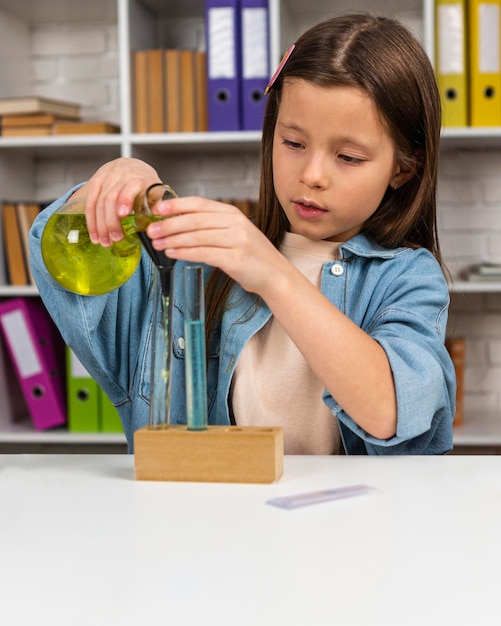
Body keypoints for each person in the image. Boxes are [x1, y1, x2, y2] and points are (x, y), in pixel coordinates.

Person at [30, 13, 456, 455]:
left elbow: (389, 409)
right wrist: (117, 184)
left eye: (348, 157)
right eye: (292, 143)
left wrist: (273, 273)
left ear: (405, 168)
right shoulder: (203, 265)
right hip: (215, 521)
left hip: (349, 523)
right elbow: (57, 270)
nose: (311, 175)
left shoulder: (408, 280)